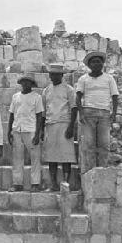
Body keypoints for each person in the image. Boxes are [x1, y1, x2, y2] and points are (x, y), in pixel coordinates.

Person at [76, 51, 119, 174]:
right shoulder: (83, 79)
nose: (96, 64)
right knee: (88, 145)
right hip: (88, 114)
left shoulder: (109, 78)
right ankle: (89, 174)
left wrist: (114, 114)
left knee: (104, 145)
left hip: (104, 115)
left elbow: (115, 97)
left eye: (99, 61)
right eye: (93, 62)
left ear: (102, 63)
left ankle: (102, 172)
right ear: (89, 65)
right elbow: (78, 97)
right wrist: (82, 114)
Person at [41, 63, 78, 191]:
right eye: (52, 74)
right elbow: (43, 112)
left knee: (65, 157)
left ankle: (65, 184)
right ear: (49, 75)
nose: (54, 77)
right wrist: (41, 130)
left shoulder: (69, 89)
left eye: (57, 74)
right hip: (50, 125)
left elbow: (74, 108)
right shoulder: (46, 90)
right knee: (52, 157)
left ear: (62, 75)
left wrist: (71, 127)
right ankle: (53, 184)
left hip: (64, 124)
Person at [7, 75, 44, 192]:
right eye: (24, 82)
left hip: (31, 129)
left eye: (28, 83)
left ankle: (35, 183)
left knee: (35, 157)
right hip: (17, 129)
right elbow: (12, 114)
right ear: (21, 83)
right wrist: (9, 131)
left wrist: (38, 133)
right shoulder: (15, 97)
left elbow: (39, 116)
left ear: (32, 85)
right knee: (17, 158)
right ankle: (17, 183)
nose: (26, 84)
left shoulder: (37, 97)